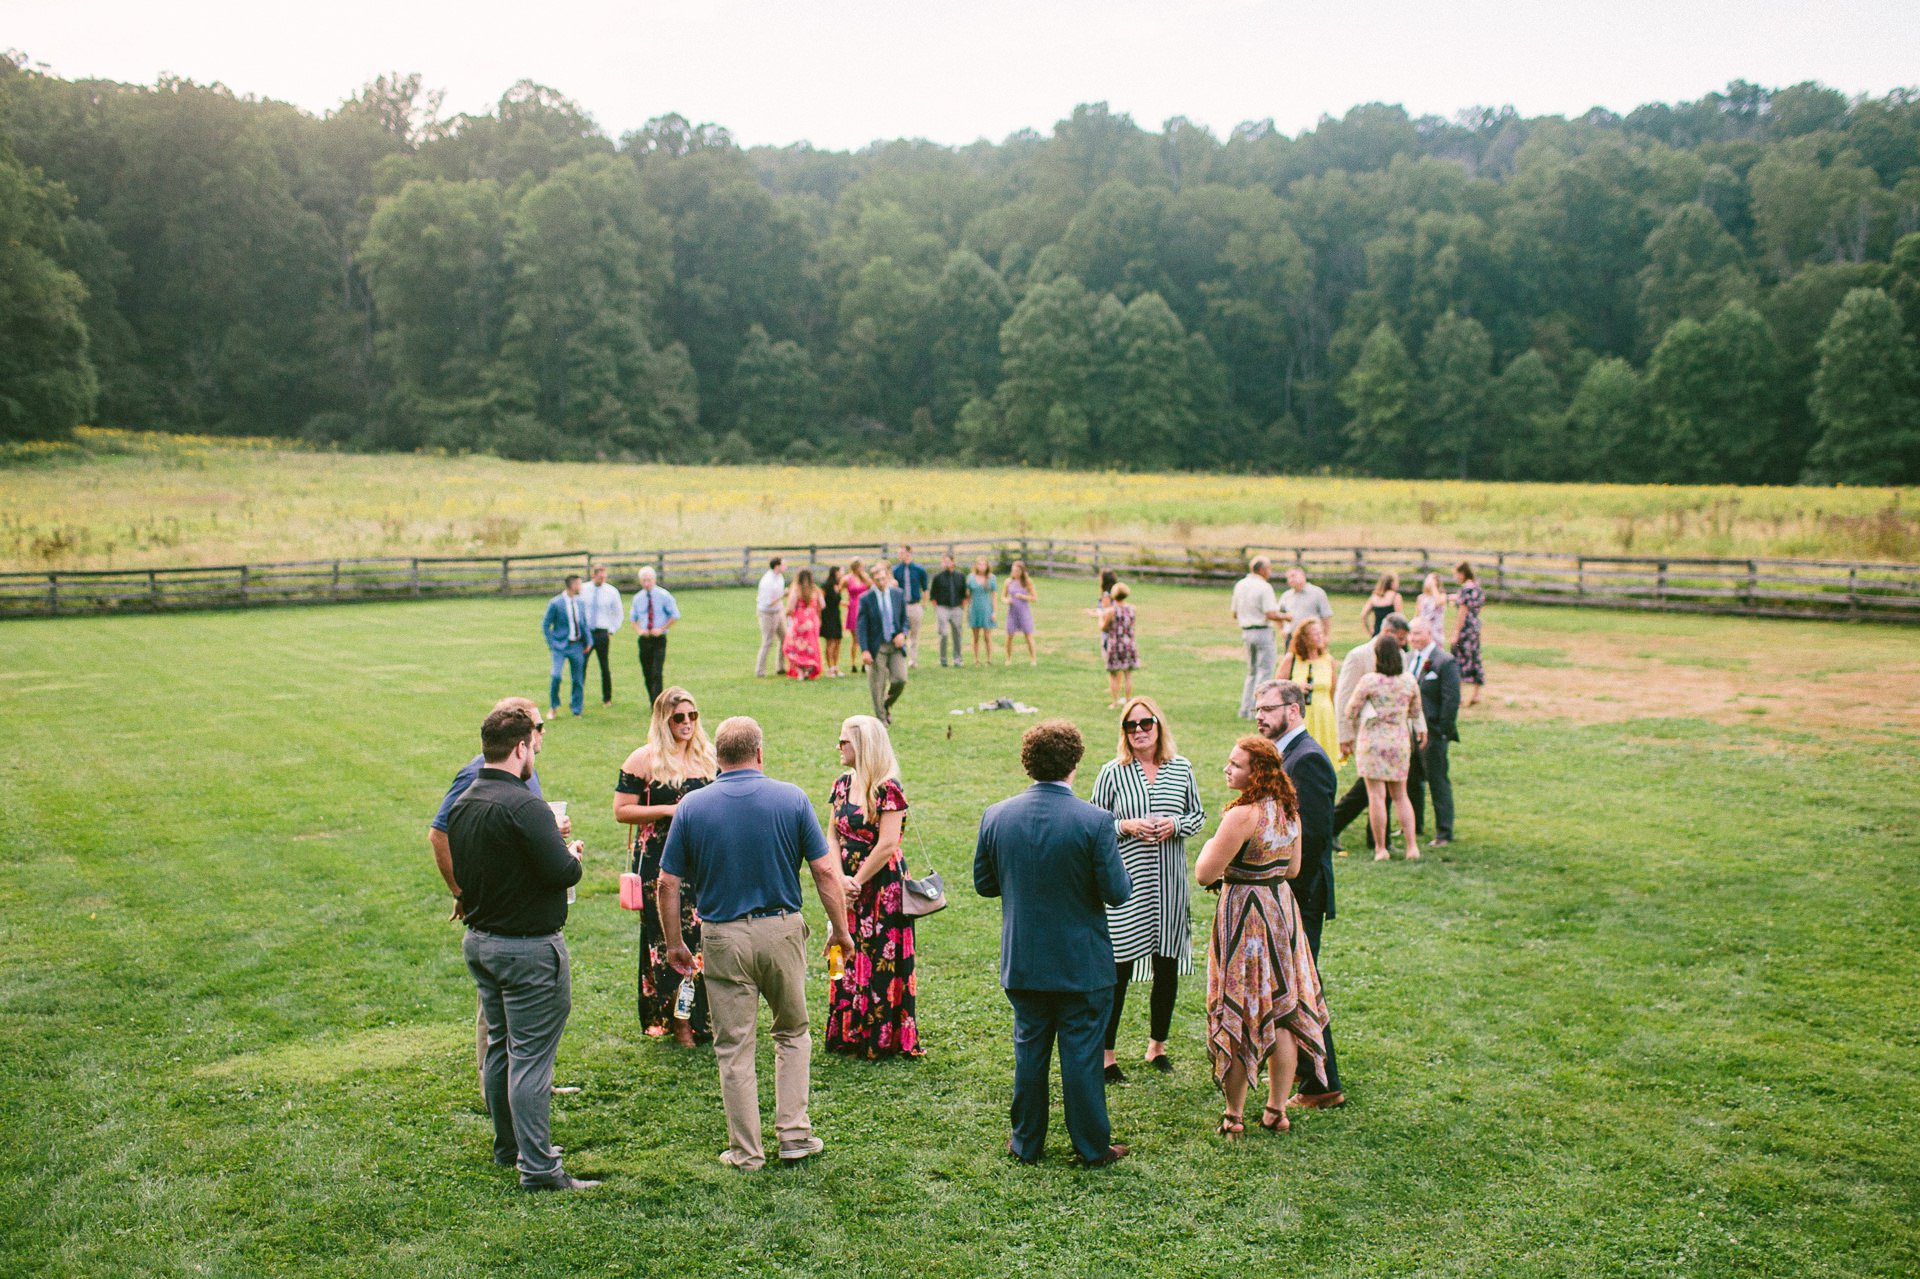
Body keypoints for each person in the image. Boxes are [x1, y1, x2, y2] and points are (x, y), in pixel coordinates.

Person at [658, 717, 854, 1171]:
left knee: (735, 1046)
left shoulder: (692, 806)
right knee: (792, 1033)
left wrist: (673, 943)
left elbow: (667, 883)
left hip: (723, 936)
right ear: (759, 753)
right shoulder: (791, 798)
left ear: (717, 759)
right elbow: (825, 872)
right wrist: (840, 931)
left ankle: (746, 1152)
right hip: (782, 929)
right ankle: (794, 1137)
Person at [448, 704, 596, 1190]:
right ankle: (538, 1168)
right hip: (528, 949)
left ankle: (507, 1146)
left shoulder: (466, 800)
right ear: (519, 748)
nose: (535, 753)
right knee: (531, 1057)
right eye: (533, 746)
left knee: (499, 1050)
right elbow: (562, 872)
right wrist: (570, 852)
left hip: (482, 941)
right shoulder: (525, 806)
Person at [974, 720, 1132, 1167]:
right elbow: (1117, 892)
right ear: (1075, 763)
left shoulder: (997, 815)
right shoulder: (1096, 821)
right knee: (1082, 1056)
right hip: (1082, 962)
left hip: (1024, 958)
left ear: (1029, 762)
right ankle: (1090, 1147)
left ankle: (1026, 1142)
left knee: (1030, 1051)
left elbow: (985, 884)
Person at [1193, 736, 1329, 1137]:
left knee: (1242, 1009)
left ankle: (1234, 1115)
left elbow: (1203, 873)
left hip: (1245, 917)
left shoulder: (1242, 816)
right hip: (1279, 910)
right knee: (1282, 1010)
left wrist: (1218, 855)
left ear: (1258, 773)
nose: (1227, 769)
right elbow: (1293, 869)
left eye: (1235, 764)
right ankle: (1275, 1111)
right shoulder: (1288, 810)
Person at [428, 696, 557, 1101]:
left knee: (522, 1018)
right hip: (501, 923)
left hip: (523, 908)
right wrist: (461, 891)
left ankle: (531, 1087)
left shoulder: (524, 772)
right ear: (519, 737)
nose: (540, 738)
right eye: (536, 729)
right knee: (496, 1016)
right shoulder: (476, 775)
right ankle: (495, 1092)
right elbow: (440, 832)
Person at [1091, 697, 1204, 1081]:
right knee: (1118, 966)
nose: (1139, 730)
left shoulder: (1181, 768)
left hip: (1170, 883)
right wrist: (1127, 826)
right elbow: (1095, 821)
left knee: (1167, 963)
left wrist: (1175, 825)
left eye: (1146, 723)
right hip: (1128, 882)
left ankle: (1158, 1046)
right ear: (1123, 731)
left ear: (1159, 725)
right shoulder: (1112, 772)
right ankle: (1106, 1054)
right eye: (1131, 725)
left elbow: (1198, 815)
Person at [1253, 680, 1345, 1110]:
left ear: (1293, 710)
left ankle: (1321, 1085)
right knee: (1298, 984)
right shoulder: (1284, 755)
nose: (1259, 716)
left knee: (1303, 987)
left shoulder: (1307, 760)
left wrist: (1283, 891)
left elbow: (1314, 835)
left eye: (1267, 708)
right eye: (1257, 708)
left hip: (1300, 893)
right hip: (1285, 891)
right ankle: (1309, 1076)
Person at [614, 687, 717, 1046]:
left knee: (704, 936)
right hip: (660, 861)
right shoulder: (643, 759)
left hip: (703, 859)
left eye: (692, 716)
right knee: (667, 940)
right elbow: (621, 810)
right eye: (678, 718)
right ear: (663, 720)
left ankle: (705, 1016)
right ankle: (680, 1023)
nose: (687, 723)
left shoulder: (708, 757)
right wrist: (669, 811)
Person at [825, 715, 922, 1059]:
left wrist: (858, 880)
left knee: (881, 954)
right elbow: (832, 836)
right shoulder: (840, 784)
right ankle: (848, 1032)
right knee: (846, 951)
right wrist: (840, 879)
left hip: (882, 885)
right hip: (847, 883)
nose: (838, 747)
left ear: (862, 745)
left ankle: (880, 1035)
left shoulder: (887, 788)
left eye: (844, 742)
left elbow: (887, 843)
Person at [1338, 634, 1425, 861]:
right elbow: (1416, 712)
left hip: (1373, 740)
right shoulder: (1408, 681)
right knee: (1401, 796)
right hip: (1398, 739)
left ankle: (1380, 848)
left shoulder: (1370, 681)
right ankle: (1412, 847)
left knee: (1376, 795)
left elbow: (1350, 710)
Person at [1405, 617, 1461, 848]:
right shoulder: (1408, 659)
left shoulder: (1444, 661)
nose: (1413, 638)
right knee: (1411, 780)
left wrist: (1439, 729)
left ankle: (1444, 832)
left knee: (1437, 781)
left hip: (1433, 732)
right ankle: (1414, 824)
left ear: (1429, 633)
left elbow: (1451, 699)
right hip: (1410, 731)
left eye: (1418, 633)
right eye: (1411, 634)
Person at [1230, 556, 1286, 719]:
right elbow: (1270, 613)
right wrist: (1287, 617)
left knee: (1252, 672)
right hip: (1262, 631)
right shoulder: (1264, 587)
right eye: (1269, 568)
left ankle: (1245, 708)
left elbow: (1234, 613)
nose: (1270, 572)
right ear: (1261, 570)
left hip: (1246, 632)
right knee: (1265, 672)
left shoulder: (1240, 585)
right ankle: (1257, 710)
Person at [856, 564, 910, 725]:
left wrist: (903, 634)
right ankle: (881, 719)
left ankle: (886, 705)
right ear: (872, 580)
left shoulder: (897, 594)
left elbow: (904, 619)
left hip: (895, 644)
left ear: (888, 577)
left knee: (900, 679)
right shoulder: (866, 599)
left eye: (883, 578)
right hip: (877, 646)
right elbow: (861, 627)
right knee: (877, 684)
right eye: (877, 579)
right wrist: (865, 650)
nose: (881, 582)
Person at [1279, 617, 1339, 759]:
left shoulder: (1328, 660)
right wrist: (1295, 687)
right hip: (1300, 716)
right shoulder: (1292, 659)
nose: (1320, 637)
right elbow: (1276, 688)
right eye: (1315, 633)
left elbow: (1333, 691)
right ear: (1304, 638)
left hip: (1324, 716)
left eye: (1321, 633)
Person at [628, 566, 678, 709]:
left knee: (657, 672)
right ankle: (653, 700)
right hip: (645, 639)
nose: (647, 583)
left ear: (654, 580)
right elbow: (633, 618)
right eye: (644, 580)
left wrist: (661, 628)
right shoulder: (638, 598)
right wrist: (639, 630)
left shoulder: (664, 596)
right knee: (647, 672)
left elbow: (675, 615)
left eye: (649, 580)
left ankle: (658, 705)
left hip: (659, 639)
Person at [541, 575, 590, 718]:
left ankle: (577, 709)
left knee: (578, 679)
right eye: (579, 584)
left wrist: (588, 642)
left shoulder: (580, 602)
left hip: (577, 645)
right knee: (556, 676)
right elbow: (545, 625)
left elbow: (583, 624)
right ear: (573, 585)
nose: (581, 587)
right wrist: (552, 644)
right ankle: (553, 706)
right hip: (560, 646)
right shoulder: (555, 603)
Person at [1448, 561, 1487, 707]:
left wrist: (1456, 632)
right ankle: (1477, 694)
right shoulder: (1477, 588)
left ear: (1462, 573)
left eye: (1456, 574)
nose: (1455, 577)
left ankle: (1459, 695)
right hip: (1475, 627)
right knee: (1475, 657)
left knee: (1459, 658)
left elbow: (1462, 612)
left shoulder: (1465, 589)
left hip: (1465, 629)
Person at [584, 564, 623, 707]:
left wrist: (611, 630)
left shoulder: (611, 592)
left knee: (604, 665)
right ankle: (578, 698)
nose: (602, 579)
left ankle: (607, 698)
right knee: (582, 665)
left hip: (602, 632)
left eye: (604, 576)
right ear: (593, 575)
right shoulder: (584, 589)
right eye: (599, 576)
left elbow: (618, 613)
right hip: (587, 633)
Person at [1100, 583, 1138, 708]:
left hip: (1115, 644)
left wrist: (1100, 618)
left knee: (1113, 674)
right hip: (1129, 644)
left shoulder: (1111, 611)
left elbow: (1104, 628)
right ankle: (1127, 700)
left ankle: (1115, 702)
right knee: (1128, 675)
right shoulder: (1132, 609)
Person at [1278, 565, 1333, 652]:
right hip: (1292, 636)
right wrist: (1282, 630)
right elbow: (1278, 615)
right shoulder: (1286, 596)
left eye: (1293, 576)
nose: (1290, 580)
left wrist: (1325, 636)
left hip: (1312, 636)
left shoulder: (1317, 593)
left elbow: (1325, 616)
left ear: (1303, 576)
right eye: (1288, 578)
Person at [782, 569, 824, 681]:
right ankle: (808, 669)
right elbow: (823, 605)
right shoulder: (815, 589)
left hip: (799, 620)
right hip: (812, 620)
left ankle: (800, 670)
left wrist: (788, 615)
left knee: (795, 645)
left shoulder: (796, 589)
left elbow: (790, 607)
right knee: (811, 645)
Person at [929, 553, 969, 668]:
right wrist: (936, 608)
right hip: (942, 608)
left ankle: (957, 659)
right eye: (944, 561)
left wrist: (962, 606)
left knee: (957, 633)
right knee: (944, 633)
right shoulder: (937, 577)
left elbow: (964, 593)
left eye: (948, 561)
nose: (946, 563)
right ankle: (943, 659)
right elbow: (933, 595)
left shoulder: (960, 576)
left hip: (957, 608)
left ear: (953, 562)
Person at [895, 545, 930, 669]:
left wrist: (923, 605)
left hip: (914, 605)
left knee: (914, 634)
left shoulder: (919, 569)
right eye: (899, 553)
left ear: (909, 553)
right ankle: (900, 660)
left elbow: (925, 588)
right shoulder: (896, 570)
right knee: (901, 633)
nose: (900, 555)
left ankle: (913, 660)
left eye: (902, 552)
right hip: (901, 606)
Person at [754, 556, 786, 678]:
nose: (785, 566)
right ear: (777, 566)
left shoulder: (780, 578)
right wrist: (783, 595)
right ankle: (760, 670)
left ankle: (780, 666)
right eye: (783, 564)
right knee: (768, 640)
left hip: (778, 611)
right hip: (767, 613)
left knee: (785, 638)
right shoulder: (767, 581)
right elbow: (768, 602)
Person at [1004, 559, 1039, 666]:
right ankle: (1008, 659)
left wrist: (1023, 596)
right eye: (1012, 570)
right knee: (1009, 636)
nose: (1013, 572)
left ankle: (1033, 659)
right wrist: (1006, 600)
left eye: (1015, 571)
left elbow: (1034, 598)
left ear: (1021, 572)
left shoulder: (1027, 582)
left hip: (1024, 612)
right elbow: (1003, 596)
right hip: (1012, 612)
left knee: (1028, 635)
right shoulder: (1008, 582)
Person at [965, 557, 997, 666]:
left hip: (986, 609)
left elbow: (993, 596)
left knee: (987, 637)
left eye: (984, 564)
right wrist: (967, 611)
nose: (982, 566)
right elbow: (968, 596)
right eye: (979, 564)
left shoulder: (991, 578)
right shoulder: (970, 578)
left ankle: (988, 659)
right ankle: (976, 660)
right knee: (975, 637)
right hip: (974, 609)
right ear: (976, 565)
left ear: (987, 566)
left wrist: (994, 612)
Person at [843, 559, 873, 672]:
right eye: (861, 567)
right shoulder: (847, 579)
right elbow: (838, 592)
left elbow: (872, 587)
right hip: (854, 608)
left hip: (865, 608)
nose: (862, 569)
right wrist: (846, 603)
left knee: (866, 636)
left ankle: (865, 663)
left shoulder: (865, 578)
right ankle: (853, 663)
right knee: (855, 638)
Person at [820, 565, 846, 677]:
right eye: (841, 571)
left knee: (837, 640)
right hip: (827, 616)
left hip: (836, 615)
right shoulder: (826, 585)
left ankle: (836, 666)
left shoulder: (837, 585)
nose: (842, 573)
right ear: (836, 572)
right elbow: (822, 602)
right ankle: (829, 667)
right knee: (830, 641)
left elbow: (837, 600)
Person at [1363, 572, 1402, 638]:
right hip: (1392, 633)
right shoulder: (1395, 596)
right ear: (1392, 583)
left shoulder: (1374, 597)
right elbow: (1399, 617)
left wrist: (1370, 631)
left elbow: (1363, 615)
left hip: (1378, 632)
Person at [1417, 571, 1447, 641]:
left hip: (1436, 631)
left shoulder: (1442, 596)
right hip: (1423, 629)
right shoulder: (1421, 597)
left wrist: (1433, 587)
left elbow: (1438, 602)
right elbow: (1418, 615)